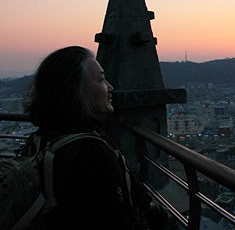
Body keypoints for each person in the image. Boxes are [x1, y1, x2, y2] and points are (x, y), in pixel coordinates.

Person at [24, 46, 151, 229]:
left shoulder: (42, 138)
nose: (110, 87)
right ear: (76, 91)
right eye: (101, 79)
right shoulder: (90, 153)